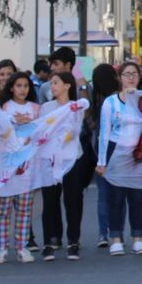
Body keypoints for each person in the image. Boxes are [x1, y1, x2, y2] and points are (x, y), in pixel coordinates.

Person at [39, 70, 90, 261]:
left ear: (67, 85)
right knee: (50, 201)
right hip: (50, 159)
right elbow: (42, 129)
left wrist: (82, 80)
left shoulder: (76, 107)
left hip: (72, 158)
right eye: (51, 83)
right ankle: (49, 242)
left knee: (73, 200)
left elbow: (74, 129)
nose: (52, 86)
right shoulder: (46, 107)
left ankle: (73, 241)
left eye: (56, 83)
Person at [0, 72, 43, 263]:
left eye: (26, 86)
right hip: (8, 164)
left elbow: (41, 131)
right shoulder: (5, 107)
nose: (22, 89)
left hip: (27, 165)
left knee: (24, 209)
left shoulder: (35, 108)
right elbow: (1, 133)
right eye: (19, 85)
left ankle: (22, 245)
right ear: (11, 88)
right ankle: (1, 247)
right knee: (3, 209)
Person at [98, 62, 142, 256]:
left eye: (134, 74)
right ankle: (116, 238)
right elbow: (104, 133)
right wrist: (101, 162)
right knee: (116, 197)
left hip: (137, 153)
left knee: (136, 198)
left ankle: (137, 238)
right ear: (120, 78)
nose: (131, 78)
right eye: (126, 74)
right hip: (115, 149)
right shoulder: (110, 102)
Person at [87, 64, 119, 248]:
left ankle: (103, 233)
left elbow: (90, 124)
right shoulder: (119, 99)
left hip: (101, 151)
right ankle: (118, 231)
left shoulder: (96, 101)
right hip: (120, 150)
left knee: (104, 195)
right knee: (119, 195)